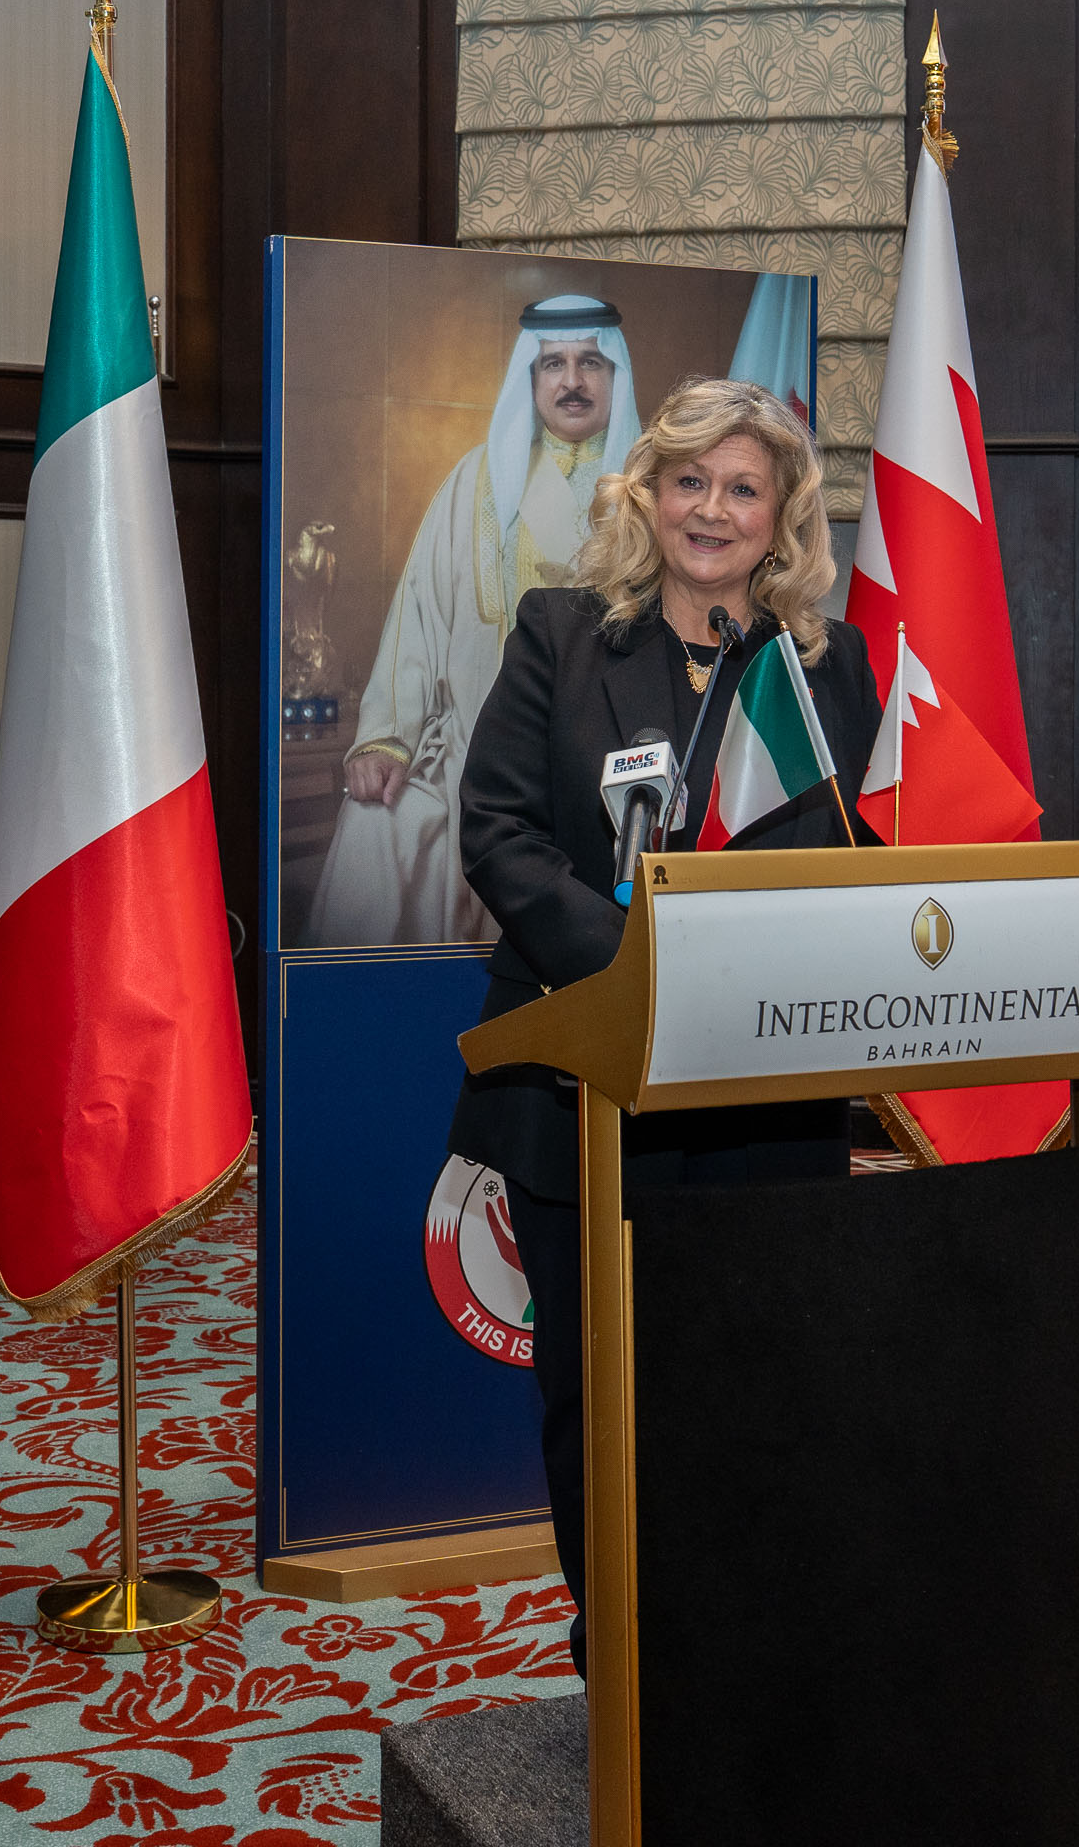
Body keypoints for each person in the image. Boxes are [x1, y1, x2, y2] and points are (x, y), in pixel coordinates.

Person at [446, 377, 887, 1677]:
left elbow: (853, 857)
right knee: (597, 1397)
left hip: (764, 1097)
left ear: (782, 516)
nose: (712, 509)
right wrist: (642, 970)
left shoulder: (823, 669)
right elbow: (498, 833)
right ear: (646, 493)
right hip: (583, 1082)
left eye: (743, 487)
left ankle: (739, 1661)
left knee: (756, 1387)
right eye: (689, 480)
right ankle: (622, 1665)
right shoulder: (561, 633)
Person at [305, 295, 641, 946]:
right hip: (472, 748)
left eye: (590, 363)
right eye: (553, 364)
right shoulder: (476, 479)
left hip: (608, 758)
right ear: (531, 378)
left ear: (615, 375)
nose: (571, 381)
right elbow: (420, 613)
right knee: (374, 826)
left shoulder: (655, 489)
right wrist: (385, 737)